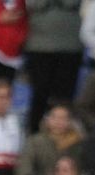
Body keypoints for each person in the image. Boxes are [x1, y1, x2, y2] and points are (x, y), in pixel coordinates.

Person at [23, 0, 84, 134]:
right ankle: (35, 139)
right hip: (39, 47)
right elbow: (32, 4)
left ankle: (64, 140)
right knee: (39, 96)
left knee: (64, 98)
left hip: (70, 47)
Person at [17, 102, 87, 175]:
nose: (58, 122)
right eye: (54, 117)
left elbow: (84, 169)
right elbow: (24, 168)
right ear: (47, 119)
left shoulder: (78, 143)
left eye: (63, 118)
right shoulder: (35, 142)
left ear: (69, 121)